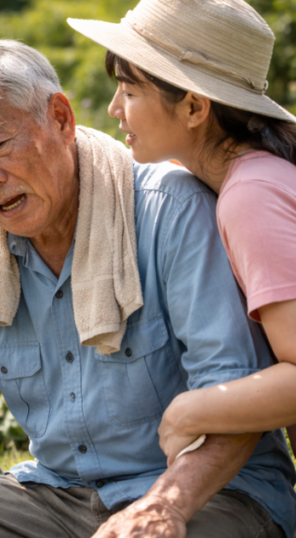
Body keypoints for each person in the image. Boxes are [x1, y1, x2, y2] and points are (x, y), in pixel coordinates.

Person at [0, 40, 296, 538]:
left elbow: (231, 385)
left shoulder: (171, 211)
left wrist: (166, 508)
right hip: (56, 494)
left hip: (208, 493)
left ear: (60, 119)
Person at [69, 0, 296, 465]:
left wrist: (190, 411)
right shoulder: (255, 176)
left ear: (194, 107)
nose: (113, 108)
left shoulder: (250, 196)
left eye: (129, 92)